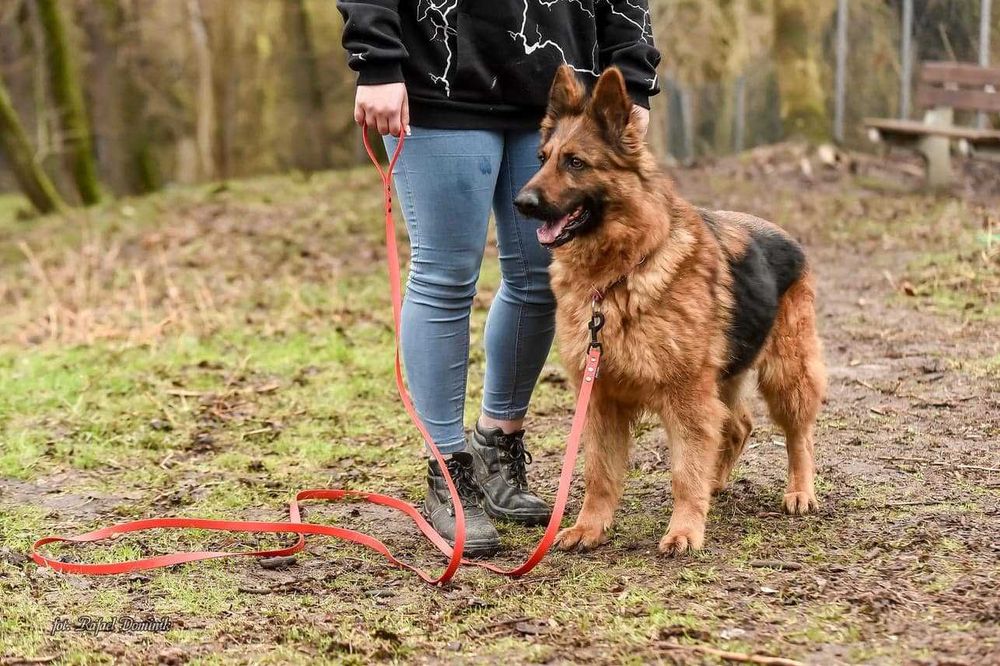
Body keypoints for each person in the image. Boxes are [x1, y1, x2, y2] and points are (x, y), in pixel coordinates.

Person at [336, 0, 661, 556]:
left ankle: (498, 446)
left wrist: (633, 73)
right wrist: (376, 57)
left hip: (561, 87)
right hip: (439, 75)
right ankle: (447, 468)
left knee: (539, 278)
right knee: (444, 276)